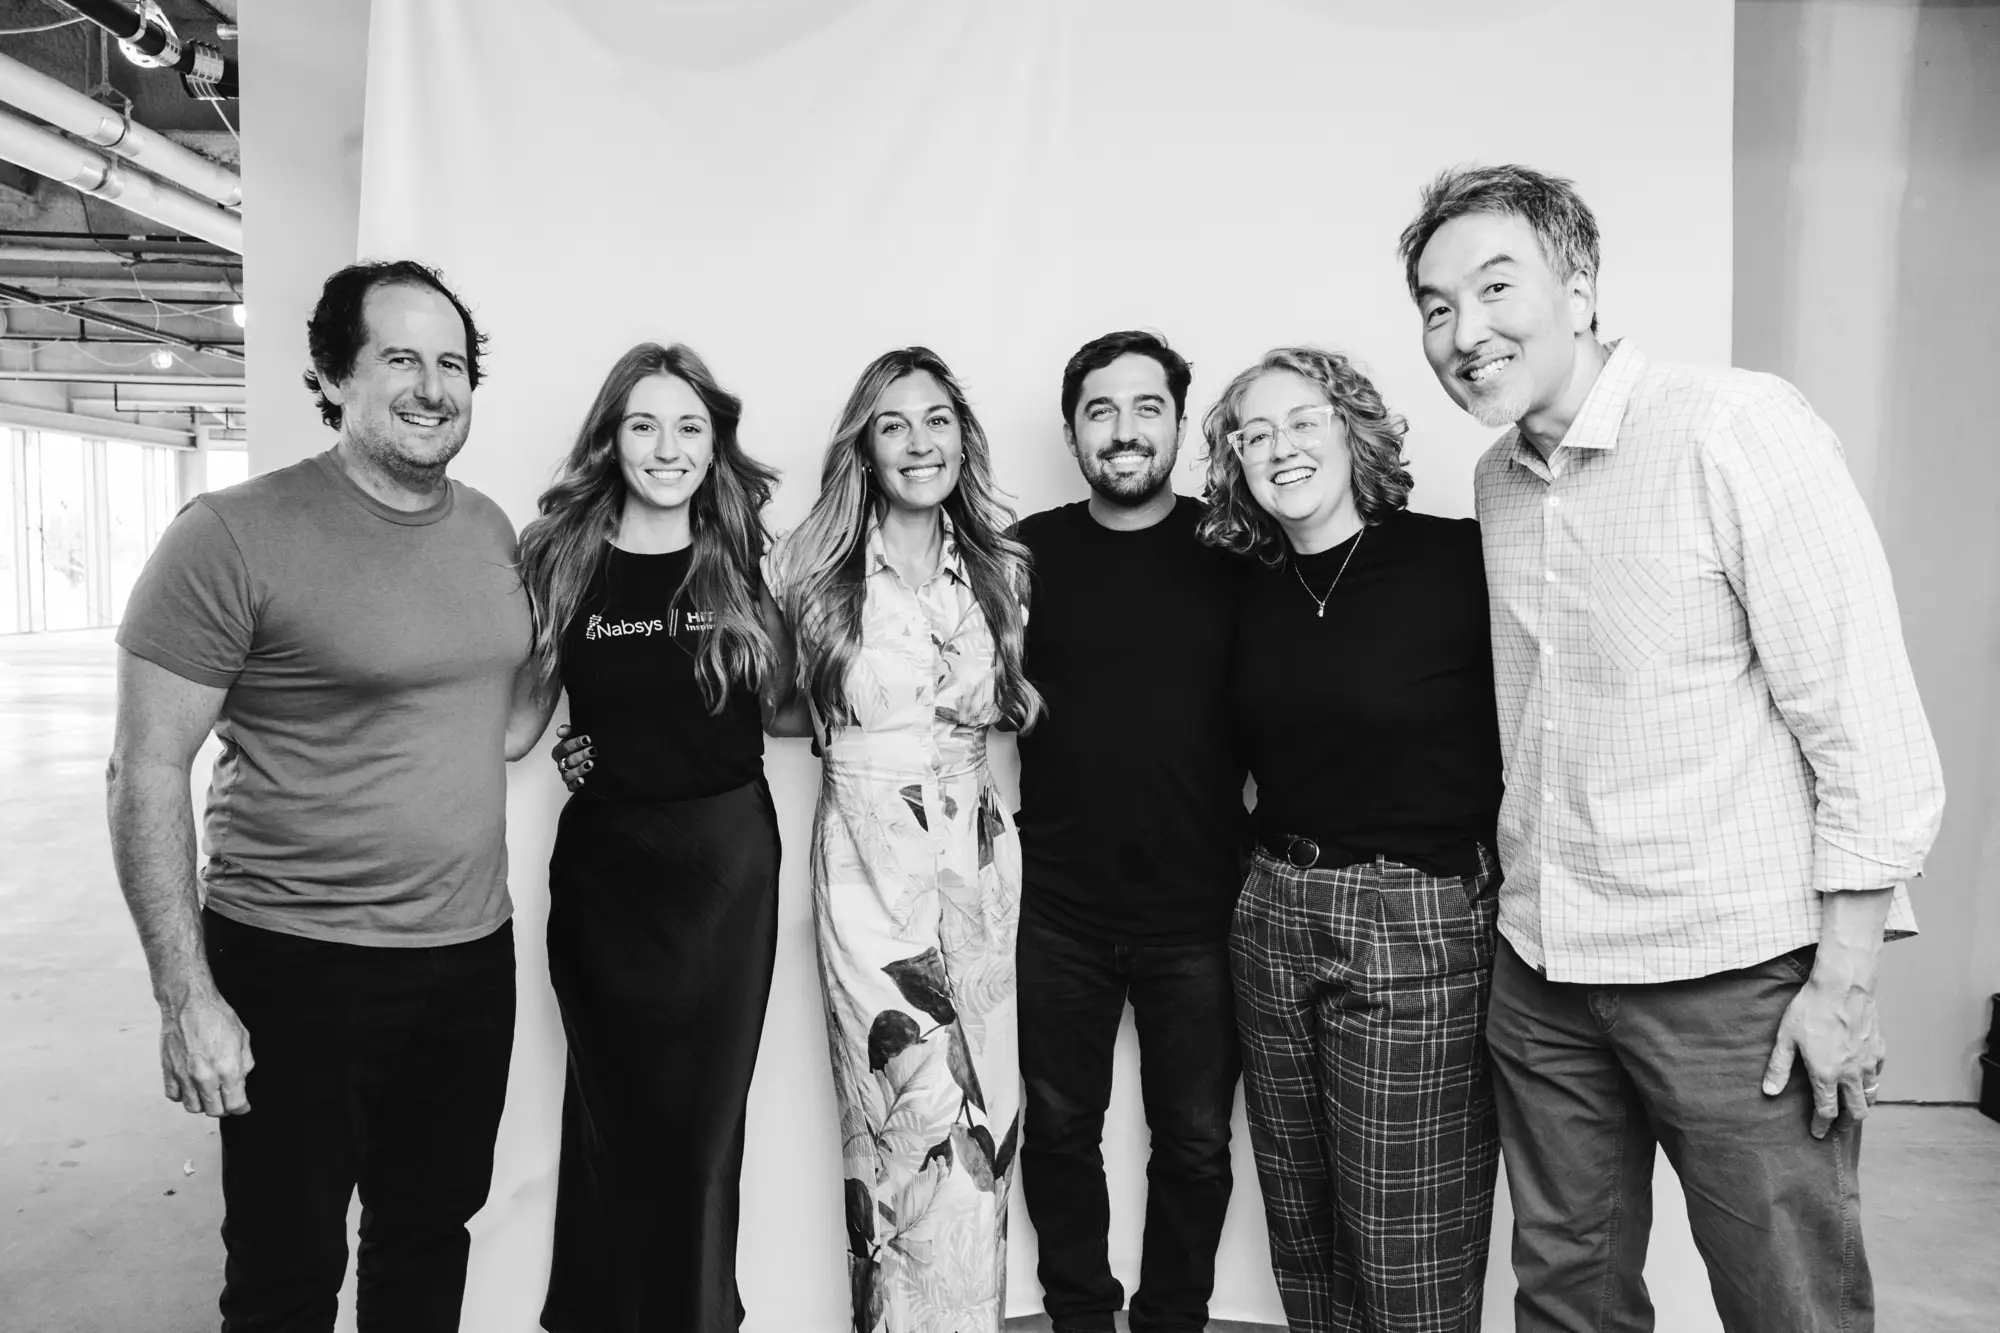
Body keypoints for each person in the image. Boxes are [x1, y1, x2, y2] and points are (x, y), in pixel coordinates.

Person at [1400, 163, 1945, 1333]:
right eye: (1434, 307)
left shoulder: (1731, 425)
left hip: (1731, 978)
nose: (1461, 331)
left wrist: (1841, 983)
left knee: (1783, 1301)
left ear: (1580, 284)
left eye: (1494, 287)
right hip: (1543, 970)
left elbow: (1863, 722)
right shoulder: (1496, 477)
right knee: (1564, 1297)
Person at [105, 260, 535, 1332]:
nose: (434, 387)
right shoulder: (233, 535)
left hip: (468, 958)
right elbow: (145, 767)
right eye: (401, 358)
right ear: (332, 376)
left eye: (452, 363)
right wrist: (184, 997)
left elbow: (502, 718)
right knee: (286, 1274)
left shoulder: (488, 528)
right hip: (295, 961)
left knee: (428, 1236)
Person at [1198, 346, 1504, 1332]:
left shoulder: (1457, 559)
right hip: (1272, 909)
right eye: (1252, 434)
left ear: (1350, 428)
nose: (1278, 447)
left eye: (1300, 421)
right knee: (1303, 1220)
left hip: (1415, 916)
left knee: (1405, 1237)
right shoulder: (1241, 587)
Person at [516, 343, 786, 1333]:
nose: (665, 448)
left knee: (702, 1133)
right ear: (611, 438)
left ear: (714, 444)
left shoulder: (749, 555)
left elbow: (792, 714)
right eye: (642, 424)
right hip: (604, 877)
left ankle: (698, 1317)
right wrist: (565, 749)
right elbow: (517, 718)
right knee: (610, 1116)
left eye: (687, 427)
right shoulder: (559, 555)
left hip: (723, 874)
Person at [769, 346, 1039, 1333]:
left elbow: (1014, 705)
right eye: (892, 423)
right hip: (865, 885)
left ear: (961, 437)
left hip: (976, 875)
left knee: (984, 1130)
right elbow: (762, 707)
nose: (918, 441)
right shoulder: (811, 568)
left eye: (935, 419)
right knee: (899, 1130)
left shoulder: (1002, 570)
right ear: (864, 447)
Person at [1011, 330, 1247, 1333]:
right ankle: (1078, 1314)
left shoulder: (1235, 552)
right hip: (1055, 902)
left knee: (1192, 1140)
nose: (1122, 429)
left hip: (1199, 906)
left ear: (1178, 424)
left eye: (1145, 407)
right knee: (1059, 1132)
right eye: (1098, 410)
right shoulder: (1024, 555)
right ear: (1071, 429)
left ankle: (1170, 1319)